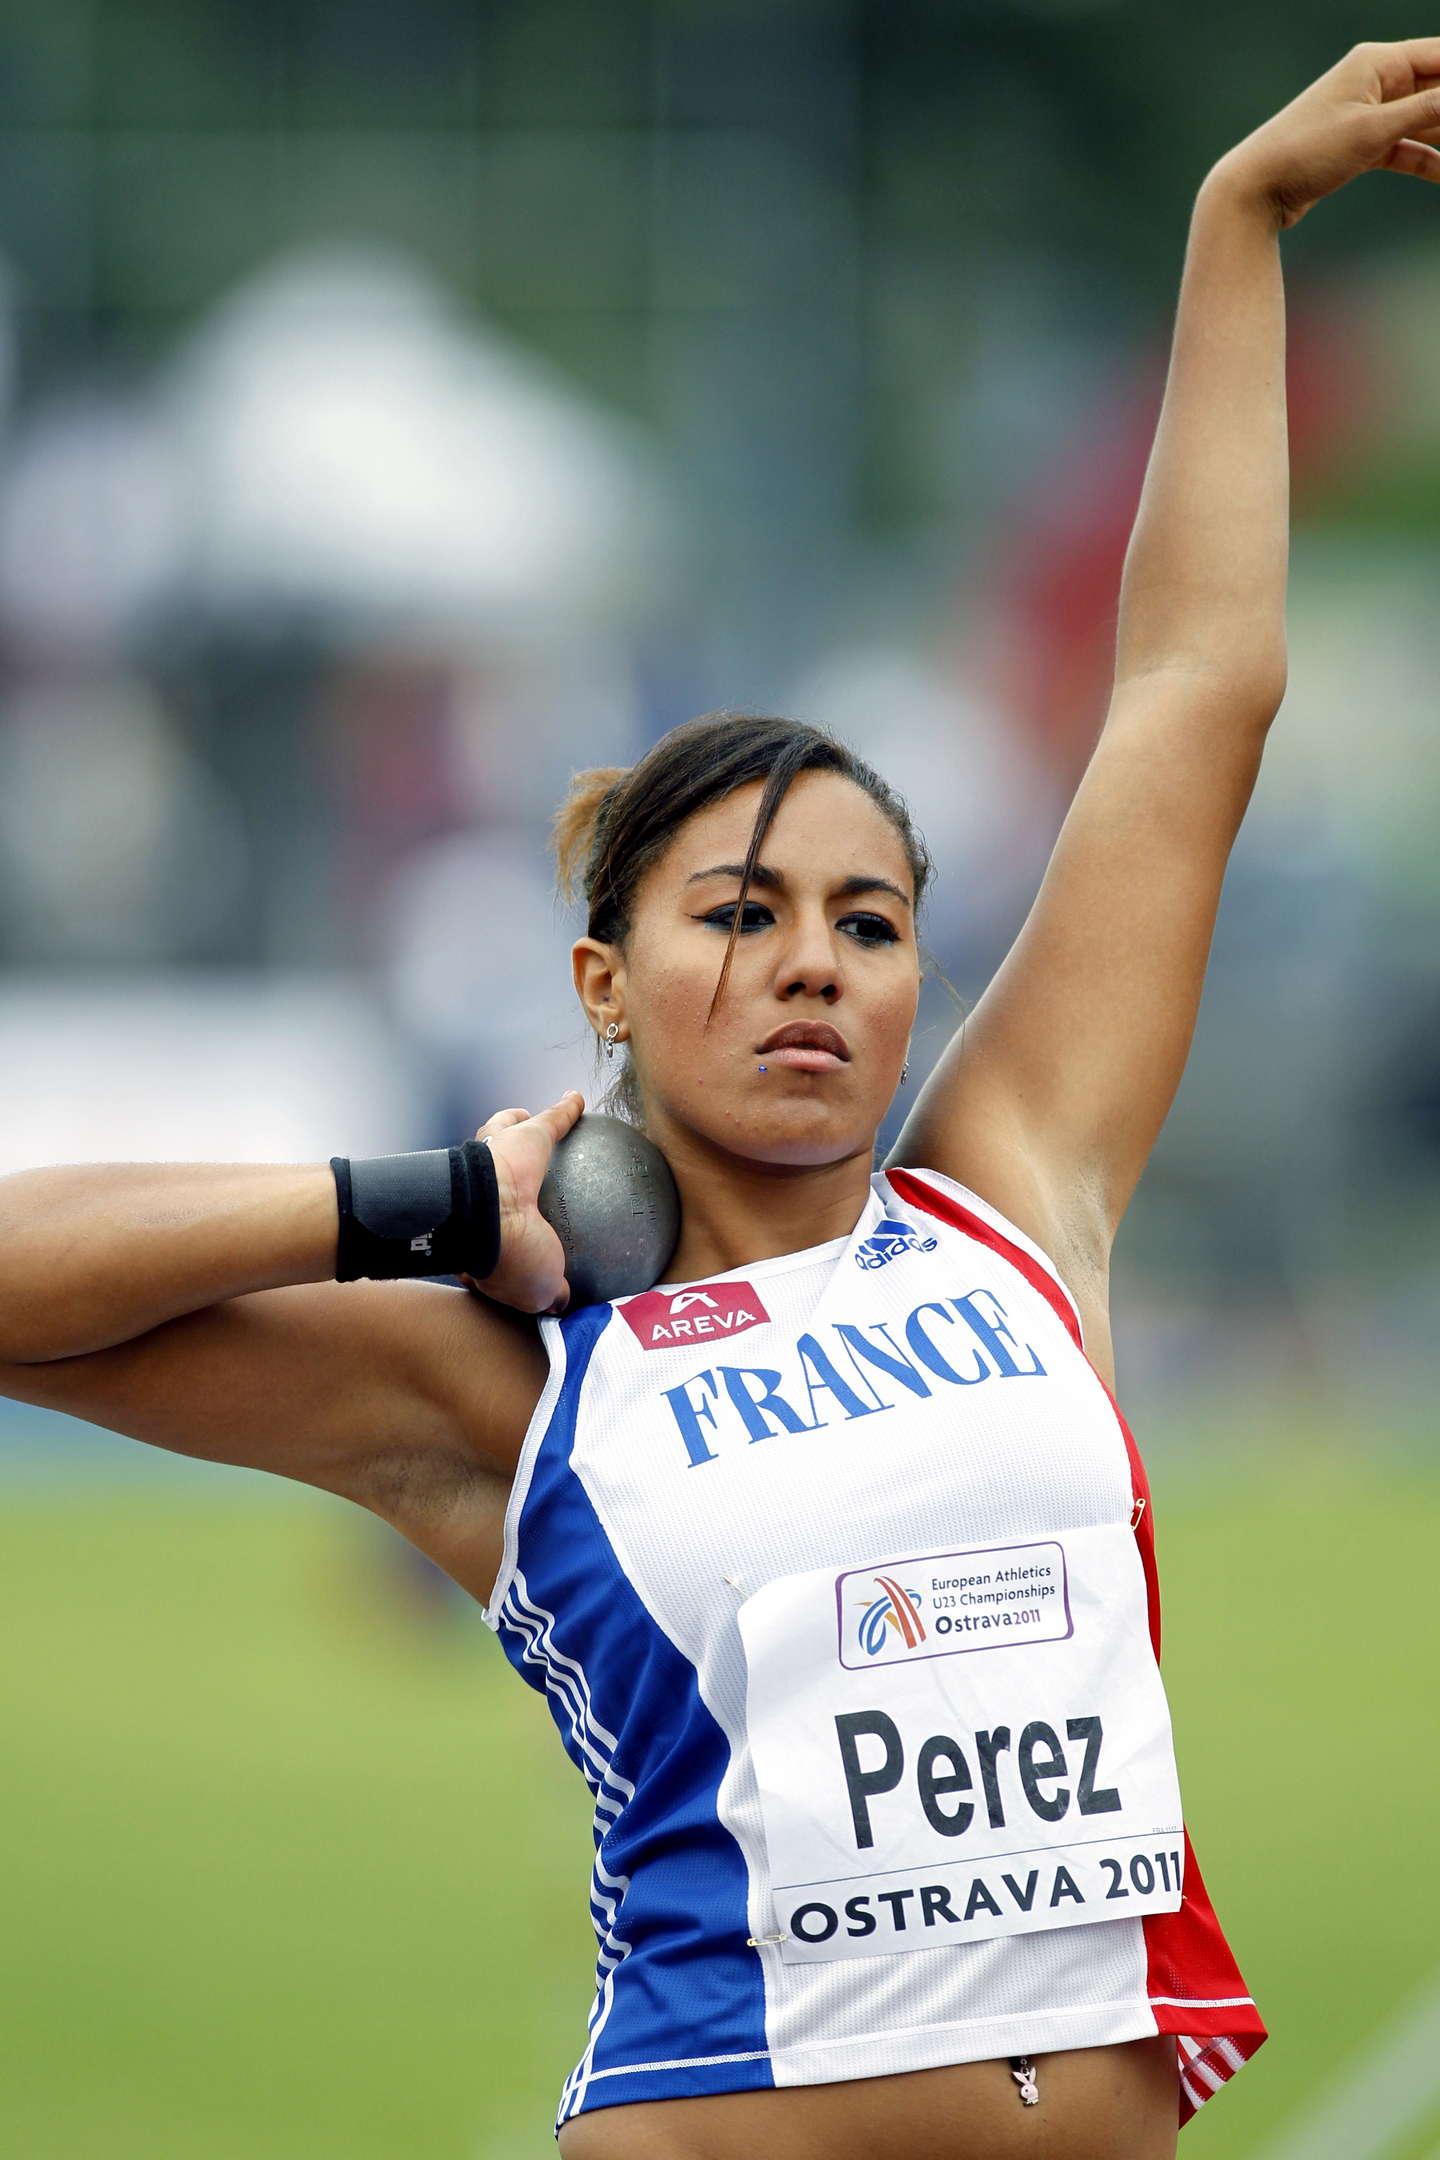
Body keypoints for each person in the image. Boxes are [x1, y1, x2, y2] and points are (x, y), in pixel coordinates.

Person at [3, 38, 1438, 2160]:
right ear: (605, 981)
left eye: (868, 922)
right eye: (741, 915)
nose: (812, 963)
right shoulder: (513, 1380)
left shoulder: (1015, 1199)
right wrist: (402, 1204)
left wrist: (1239, 222)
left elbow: (1191, 691)